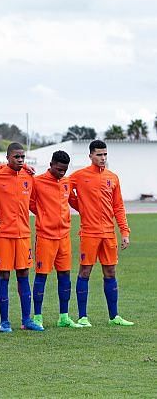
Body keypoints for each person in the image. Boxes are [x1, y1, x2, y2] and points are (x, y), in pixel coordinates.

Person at [69, 140, 133, 327]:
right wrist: (79, 205)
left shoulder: (113, 177)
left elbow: (118, 207)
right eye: (99, 154)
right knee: (85, 271)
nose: (103, 158)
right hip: (89, 233)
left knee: (110, 271)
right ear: (90, 156)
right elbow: (62, 188)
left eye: (105, 154)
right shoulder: (80, 176)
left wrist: (125, 231)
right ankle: (82, 317)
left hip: (108, 233)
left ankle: (114, 317)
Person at [0, 142, 44, 332]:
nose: (20, 160)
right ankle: (4, 322)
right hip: (4, 234)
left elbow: (35, 203)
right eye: (16, 157)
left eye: (23, 157)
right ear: (7, 158)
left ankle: (26, 320)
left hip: (23, 235)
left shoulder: (29, 176)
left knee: (23, 274)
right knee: (4, 275)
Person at [29, 151, 82, 329]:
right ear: (51, 164)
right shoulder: (37, 181)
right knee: (41, 275)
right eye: (59, 169)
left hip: (64, 237)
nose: (62, 173)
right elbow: (28, 202)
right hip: (45, 237)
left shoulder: (67, 182)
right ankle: (37, 317)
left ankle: (64, 317)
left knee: (65, 275)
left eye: (64, 170)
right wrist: (44, 216)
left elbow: (73, 202)